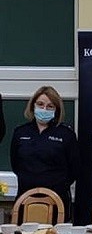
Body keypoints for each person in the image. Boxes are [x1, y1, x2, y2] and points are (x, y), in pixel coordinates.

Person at [10, 85, 80, 219]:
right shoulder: (20, 132)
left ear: (56, 110)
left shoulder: (66, 134)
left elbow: (74, 169)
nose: (44, 109)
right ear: (33, 106)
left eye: (50, 106)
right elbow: (15, 165)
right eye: (40, 104)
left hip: (57, 200)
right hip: (25, 198)